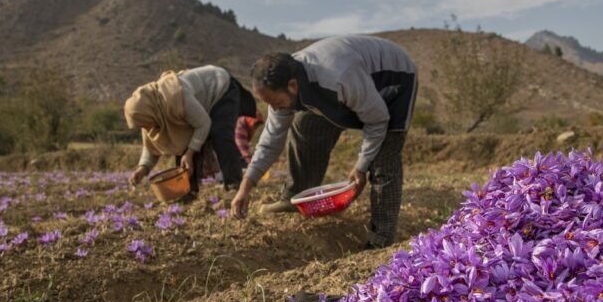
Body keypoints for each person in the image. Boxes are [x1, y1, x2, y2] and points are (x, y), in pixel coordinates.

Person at [231, 35, 418, 248]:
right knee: (305, 125)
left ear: (292, 86)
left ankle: (380, 240)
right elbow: (270, 140)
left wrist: (360, 166)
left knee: (383, 160)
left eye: (276, 103)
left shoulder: (337, 77)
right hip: (355, 88)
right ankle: (295, 197)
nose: (275, 109)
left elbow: (377, 120)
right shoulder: (282, 86)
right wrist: (245, 188)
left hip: (394, 81)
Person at [125, 65, 256, 195]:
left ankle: (234, 185)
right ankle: (188, 191)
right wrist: (143, 168)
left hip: (220, 89)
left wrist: (190, 153)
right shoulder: (150, 113)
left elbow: (203, 124)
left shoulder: (176, 97)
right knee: (180, 141)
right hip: (201, 105)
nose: (147, 128)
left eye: (145, 124)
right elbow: (151, 146)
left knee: (220, 134)